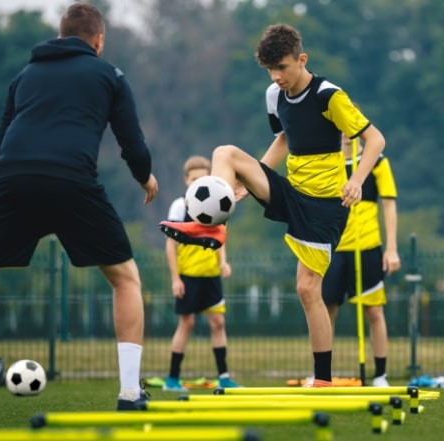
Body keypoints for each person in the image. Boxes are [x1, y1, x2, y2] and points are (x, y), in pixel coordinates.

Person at [0, 3, 158, 423]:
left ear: (60, 37)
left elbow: (2, 139)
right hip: (72, 180)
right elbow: (130, 138)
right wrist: (145, 177)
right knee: (125, 278)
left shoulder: (24, 75)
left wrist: (9, 183)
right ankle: (130, 393)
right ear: (98, 40)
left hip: (13, 179)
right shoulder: (109, 74)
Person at [160, 24, 386, 387]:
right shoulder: (273, 94)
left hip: (326, 206)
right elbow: (284, 138)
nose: (276, 76)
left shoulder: (329, 96)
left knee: (308, 289)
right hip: (292, 191)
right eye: (270, 69)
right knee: (225, 153)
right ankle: (211, 227)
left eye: (282, 67)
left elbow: (375, 139)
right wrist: (256, 179)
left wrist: (356, 179)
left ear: (302, 59)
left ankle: (323, 380)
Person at [322, 132, 400, 387]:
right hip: (333, 248)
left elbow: (389, 204)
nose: (345, 133)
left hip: (367, 246)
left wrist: (391, 248)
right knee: (325, 310)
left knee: (374, 311)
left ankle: (380, 375)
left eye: (350, 127)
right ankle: (321, 373)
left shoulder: (377, 161)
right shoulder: (326, 162)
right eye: (340, 127)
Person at [163, 155, 240, 392]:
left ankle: (224, 377)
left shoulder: (216, 205)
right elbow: (170, 244)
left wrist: (223, 263)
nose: (199, 182)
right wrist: (175, 279)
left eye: (204, 178)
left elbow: (220, 237)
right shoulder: (179, 205)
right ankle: (172, 379)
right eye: (195, 178)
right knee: (186, 323)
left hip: (211, 276)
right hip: (189, 276)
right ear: (187, 180)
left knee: (218, 323)